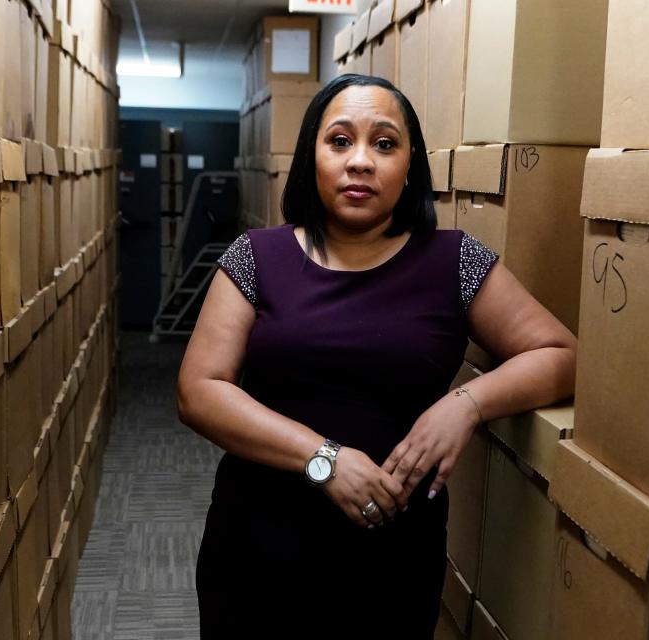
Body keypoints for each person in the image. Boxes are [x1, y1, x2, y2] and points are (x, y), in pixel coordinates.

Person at [177, 74, 576, 638]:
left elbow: (561, 353)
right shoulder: (256, 256)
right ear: (311, 157)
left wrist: (466, 403)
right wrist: (325, 458)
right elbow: (198, 392)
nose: (360, 161)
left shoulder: (454, 262)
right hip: (258, 546)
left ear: (410, 165)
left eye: (384, 144)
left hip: (391, 554)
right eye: (339, 141)